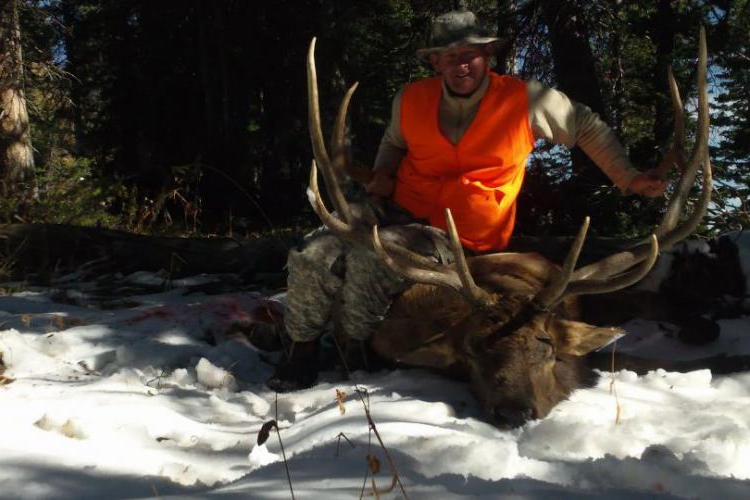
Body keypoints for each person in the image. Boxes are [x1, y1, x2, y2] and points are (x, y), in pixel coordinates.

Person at [266, 10, 666, 391]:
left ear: (487, 54)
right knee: (314, 250)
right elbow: (394, 142)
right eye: (451, 57)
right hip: (396, 204)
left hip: (453, 233)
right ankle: (300, 349)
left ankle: (351, 349)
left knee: (373, 256)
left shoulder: (526, 99)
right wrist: (382, 174)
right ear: (436, 61)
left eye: (470, 55)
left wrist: (627, 177)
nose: (462, 65)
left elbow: (586, 127)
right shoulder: (411, 99)